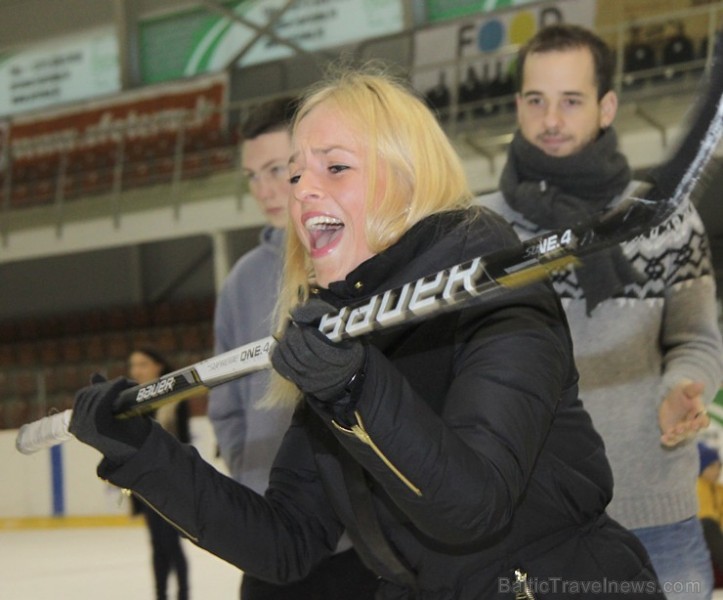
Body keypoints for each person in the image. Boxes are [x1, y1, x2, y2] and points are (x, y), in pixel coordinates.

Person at [68, 69, 663, 599]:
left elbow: (474, 507)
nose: (301, 189)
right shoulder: (343, 333)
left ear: (407, 178)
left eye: (335, 167)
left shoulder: (497, 296)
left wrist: (353, 390)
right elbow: (288, 543)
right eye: (298, 172)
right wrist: (146, 456)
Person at [477, 24, 723, 599]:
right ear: (517, 107)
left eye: (571, 101)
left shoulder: (664, 217)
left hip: (658, 516)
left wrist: (683, 385)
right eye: (536, 101)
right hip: (529, 531)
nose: (551, 120)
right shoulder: (481, 233)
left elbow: (697, 337)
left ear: (607, 107)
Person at [207, 97, 376, 598]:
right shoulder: (242, 280)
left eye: (277, 169)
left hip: (366, 545)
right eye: (252, 176)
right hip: (273, 539)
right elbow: (226, 406)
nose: (264, 190)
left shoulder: (357, 257)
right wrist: (254, 481)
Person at [127, 347, 191, 600]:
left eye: (142, 364)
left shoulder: (175, 400)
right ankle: (161, 595)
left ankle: (183, 595)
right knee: (157, 546)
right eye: (133, 365)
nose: (136, 371)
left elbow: (184, 444)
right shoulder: (132, 403)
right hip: (145, 486)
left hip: (171, 485)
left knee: (171, 544)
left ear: (158, 366)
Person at [697, 442, 723, 575]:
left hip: (716, 537)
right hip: (701, 535)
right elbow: (704, 517)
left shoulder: (720, 490)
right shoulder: (695, 487)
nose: (717, 471)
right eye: (712, 466)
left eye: (719, 466)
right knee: (708, 524)